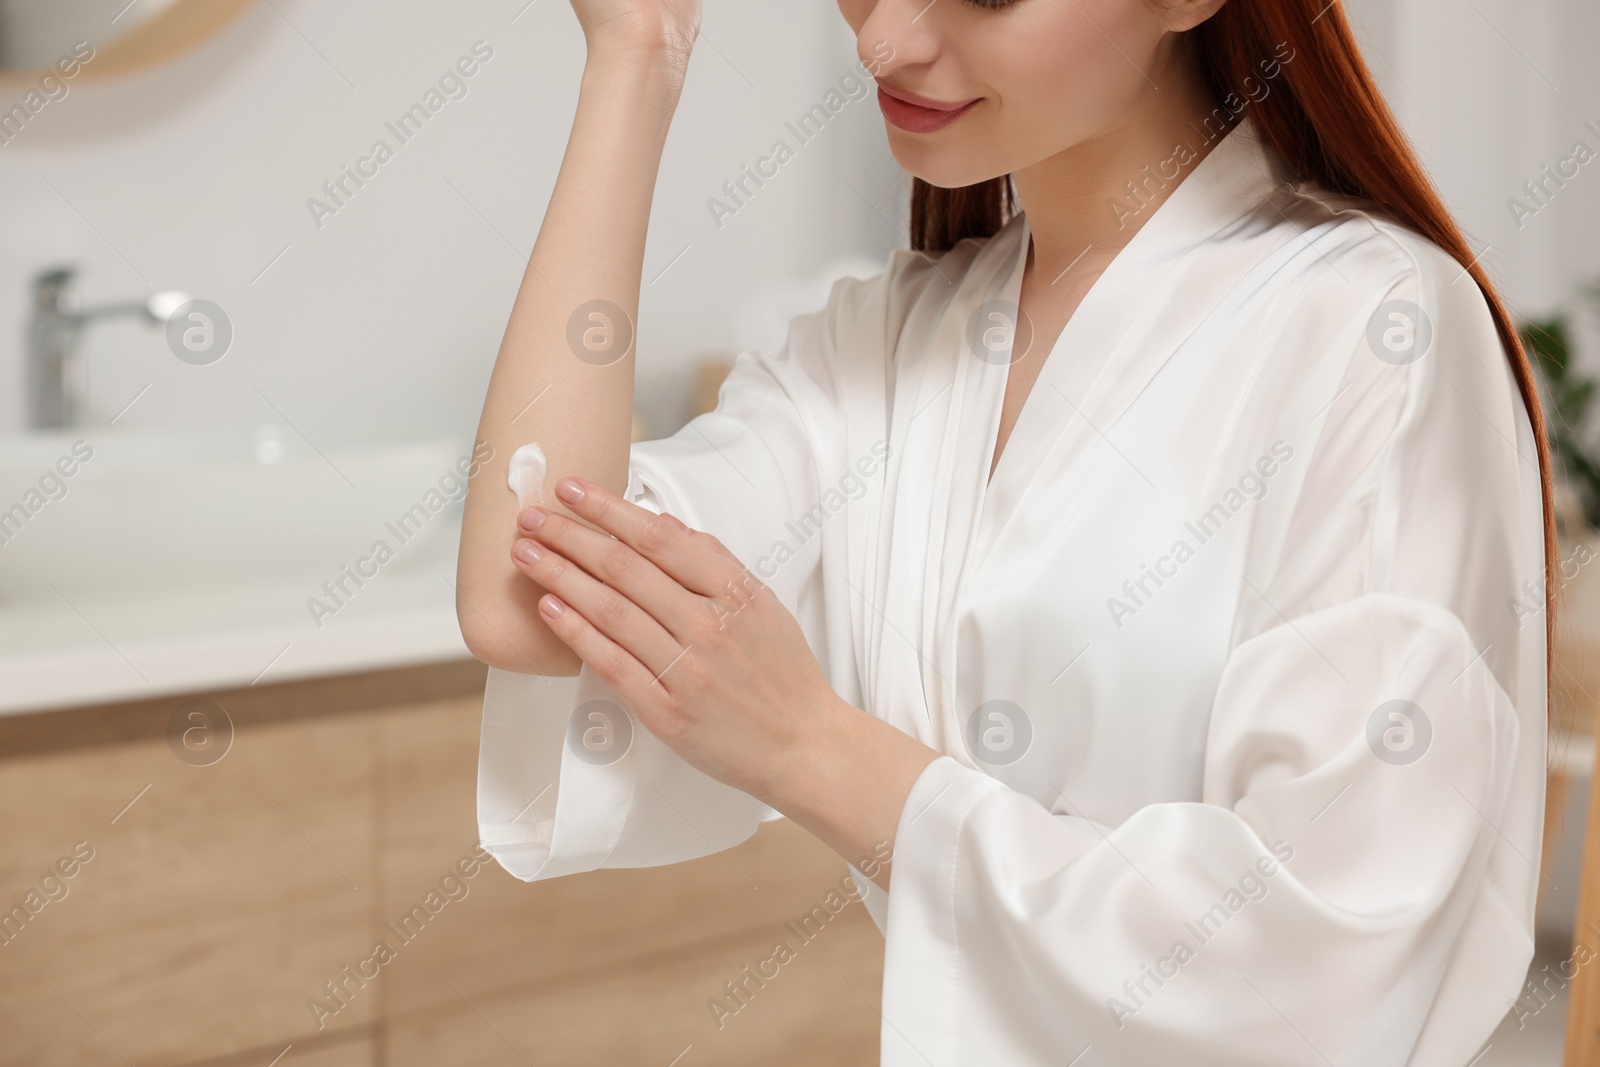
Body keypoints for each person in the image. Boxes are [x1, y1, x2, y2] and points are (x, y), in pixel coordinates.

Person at [455, 1, 1555, 1062]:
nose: (885, 38)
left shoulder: (1374, 327)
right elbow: (529, 591)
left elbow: (1321, 956)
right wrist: (638, 54)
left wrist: (810, 745)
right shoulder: (882, 349)